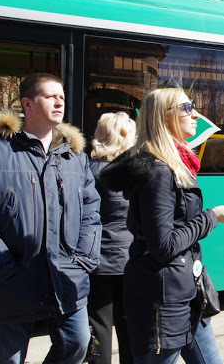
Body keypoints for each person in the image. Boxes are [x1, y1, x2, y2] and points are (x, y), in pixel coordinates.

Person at [0, 73, 101, 363]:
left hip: (65, 278)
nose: (60, 102)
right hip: (10, 280)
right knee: (8, 358)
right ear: (27, 103)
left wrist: (83, 261)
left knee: (78, 344)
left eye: (62, 97)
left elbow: (91, 213)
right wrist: (1, 266)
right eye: (51, 96)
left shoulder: (74, 157)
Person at [100, 87, 224, 363]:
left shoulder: (174, 165)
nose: (196, 114)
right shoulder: (159, 171)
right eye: (187, 108)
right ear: (164, 118)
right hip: (162, 303)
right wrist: (212, 217)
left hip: (186, 293)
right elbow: (164, 247)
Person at [88, 112, 137, 364]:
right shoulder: (136, 173)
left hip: (98, 261)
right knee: (129, 327)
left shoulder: (89, 170)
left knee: (100, 327)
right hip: (130, 259)